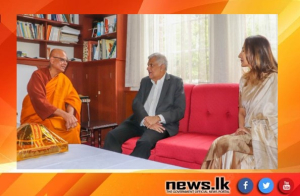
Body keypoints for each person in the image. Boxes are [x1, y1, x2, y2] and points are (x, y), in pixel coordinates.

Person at [201, 35, 278, 169]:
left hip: (269, 134)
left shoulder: (275, 79)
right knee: (221, 144)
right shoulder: (244, 81)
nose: (239, 55)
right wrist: (242, 128)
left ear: (255, 52)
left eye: (243, 50)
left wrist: (257, 130)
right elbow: (241, 111)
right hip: (248, 132)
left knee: (223, 144)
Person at [104, 53, 186, 159]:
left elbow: (179, 110)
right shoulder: (145, 81)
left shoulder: (176, 82)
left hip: (160, 125)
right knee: (112, 135)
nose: (148, 68)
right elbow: (136, 103)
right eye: (148, 65)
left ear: (162, 67)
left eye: (151, 65)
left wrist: (157, 118)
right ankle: (111, 166)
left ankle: (129, 171)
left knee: (144, 142)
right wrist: (146, 120)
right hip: (139, 120)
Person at [20, 49, 82, 144]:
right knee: (51, 128)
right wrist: (64, 115)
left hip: (56, 116)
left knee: (74, 126)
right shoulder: (38, 75)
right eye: (62, 60)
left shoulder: (64, 79)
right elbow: (39, 100)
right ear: (52, 60)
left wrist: (69, 115)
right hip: (38, 117)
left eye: (66, 61)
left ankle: (71, 157)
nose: (65, 63)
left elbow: (73, 99)